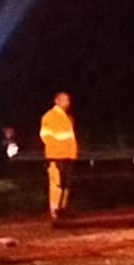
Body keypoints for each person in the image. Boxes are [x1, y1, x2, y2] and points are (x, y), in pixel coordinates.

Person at [39, 91, 78, 225]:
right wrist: (58, 150)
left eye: (68, 100)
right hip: (56, 157)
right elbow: (46, 137)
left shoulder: (66, 117)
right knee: (57, 185)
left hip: (67, 156)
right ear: (57, 101)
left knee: (66, 185)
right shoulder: (49, 117)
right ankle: (55, 211)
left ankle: (63, 209)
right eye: (65, 100)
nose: (68, 103)